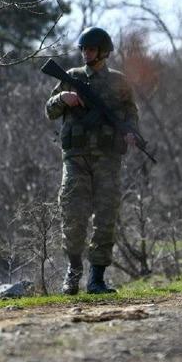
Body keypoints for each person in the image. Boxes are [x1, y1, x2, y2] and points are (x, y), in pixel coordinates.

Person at [46, 26, 139, 295]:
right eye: (83, 49)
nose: (86, 53)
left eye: (91, 49)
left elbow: (131, 114)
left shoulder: (119, 82)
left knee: (106, 217)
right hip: (75, 159)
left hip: (108, 159)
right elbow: (49, 111)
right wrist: (62, 97)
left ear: (104, 52)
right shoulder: (71, 77)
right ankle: (73, 273)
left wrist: (132, 133)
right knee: (73, 215)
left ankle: (96, 279)